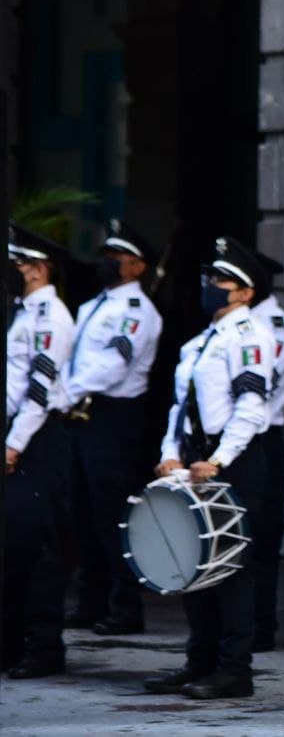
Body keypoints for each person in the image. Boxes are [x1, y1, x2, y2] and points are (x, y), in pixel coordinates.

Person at [142, 236, 275, 700]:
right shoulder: (201, 342)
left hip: (229, 460)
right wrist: (170, 453)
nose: (211, 286)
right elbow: (180, 406)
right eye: (210, 278)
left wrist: (219, 459)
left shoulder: (251, 336)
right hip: (193, 459)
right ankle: (199, 660)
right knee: (193, 560)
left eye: (222, 280)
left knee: (232, 566)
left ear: (245, 292)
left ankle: (234, 668)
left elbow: (252, 406)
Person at [62, 219, 163, 636]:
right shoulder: (92, 305)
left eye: (117, 259)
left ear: (138, 267)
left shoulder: (137, 313)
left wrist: (64, 394)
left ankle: (126, 605)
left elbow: (112, 367)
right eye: (106, 256)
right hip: (80, 414)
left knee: (111, 513)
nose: (108, 264)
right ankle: (91, 599)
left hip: (112, 417)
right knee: (82, 513)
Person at [3, 225, 76, 678]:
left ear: (39, 267)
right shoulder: (21, 312)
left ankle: (44, 645)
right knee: (14, 546)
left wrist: (13, 445)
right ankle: (11, 643)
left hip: (37, 437)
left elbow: (39, 391)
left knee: (39, 549)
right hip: (17, 433)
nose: (13, 271)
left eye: (19, 264)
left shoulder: (52, 317)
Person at [248, 250, 284, 652]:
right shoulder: (236, 325)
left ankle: (260, 626)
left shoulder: (277, 328)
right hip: (232, 441)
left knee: (261, 539)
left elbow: (259, 385)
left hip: (263, 438)